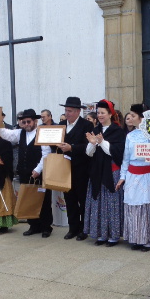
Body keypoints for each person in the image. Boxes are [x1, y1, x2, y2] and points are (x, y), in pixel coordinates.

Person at [117, 104, 150, 251]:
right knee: (133, 207)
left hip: (148, 174)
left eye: (133, 116)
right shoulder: (130, 135)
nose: (130, 118)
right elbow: (126, 158)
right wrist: (122, 176)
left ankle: (148, 239)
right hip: (133, 175)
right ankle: (136, 238)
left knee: (148, 208)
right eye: (130, 115)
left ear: (141, 118)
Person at [0, 109, 53, 237]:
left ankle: (46, 227)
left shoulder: (41, 133)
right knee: (28, 199)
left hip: (40, 173)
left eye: (28, 121)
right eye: (24, 122)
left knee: (43, 200)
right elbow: (7, 134)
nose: (26, 124)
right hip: (24, 172)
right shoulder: (20, 133)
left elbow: (46, 154)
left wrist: (38, 170)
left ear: (35, 121)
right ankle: (33, 226)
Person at [83, 100, 125, 246]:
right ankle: (101, 234)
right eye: (98, 113)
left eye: (103, 113)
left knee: (111, 204)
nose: (100, 115)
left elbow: (115, 153)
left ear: (110, 114)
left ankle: (113, 235)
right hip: (97, 172)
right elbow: (89, 153)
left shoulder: (117, 131)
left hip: (112, 173)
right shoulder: (95, 130)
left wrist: (101, 142)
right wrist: (93, 143)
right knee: (98, 203)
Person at [57, 97, 95, 240]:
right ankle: (73, 228)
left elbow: (88, 146)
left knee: (82, 199)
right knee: (69, 199)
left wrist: (71, 147)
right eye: (66, 110)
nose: (67, 113)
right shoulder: (61, 125)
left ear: (78, 111)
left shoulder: (87, 125)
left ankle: (84, 229)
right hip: (65, 168)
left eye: (70, 111)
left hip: (81, 168)